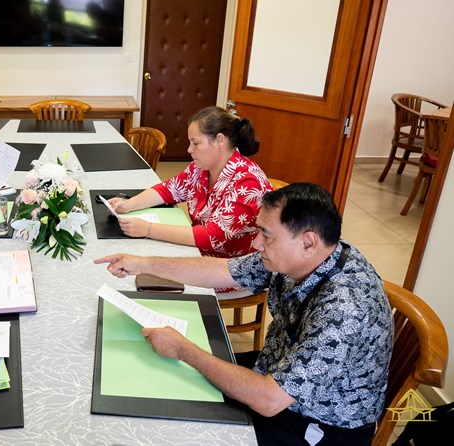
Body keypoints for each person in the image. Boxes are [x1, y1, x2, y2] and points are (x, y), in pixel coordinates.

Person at [95, 183, 393, 445]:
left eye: (266, 235)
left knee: (181, 420)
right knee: (165, 384)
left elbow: (268, 400)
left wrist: (184, 350)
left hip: (316, 424)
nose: (256, 243)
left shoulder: (345, 309)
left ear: (307, 241)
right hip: (276, 374)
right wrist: (144, 263)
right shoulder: (306, 256)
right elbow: (224, 269)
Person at [110, 106, 272, 260]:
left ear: (219, 140)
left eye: (195, 143)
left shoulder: (248, 182)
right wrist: (129, 205)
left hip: (230, 266)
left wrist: (147, 229)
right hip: (199, 252)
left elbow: (211, 237)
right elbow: (169, 189)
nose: (189, 149)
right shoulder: (201, 168)